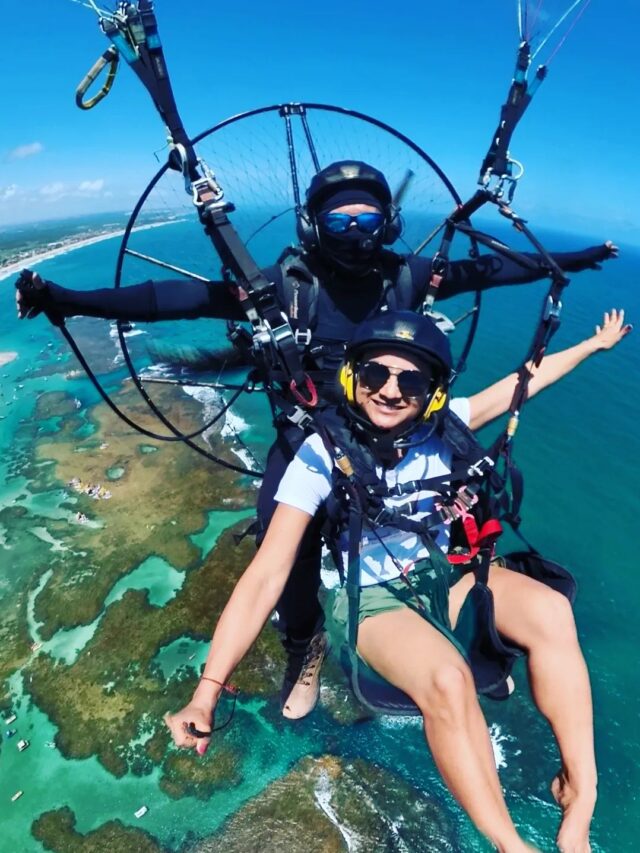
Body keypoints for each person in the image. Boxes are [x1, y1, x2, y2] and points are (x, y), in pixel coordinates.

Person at [15, 160, 618, 720]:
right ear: (314, 224)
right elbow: (172, 300)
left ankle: (468, 628)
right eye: (339, 218)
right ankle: (303, 646)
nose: (355, 230)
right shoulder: (285, 286)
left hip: (396, 432)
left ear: (389, 224)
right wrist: (66, 299)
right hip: (310, 442)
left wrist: (570, 259)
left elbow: (494, 268)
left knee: (453, 507)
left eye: (368, 218)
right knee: (288, 552)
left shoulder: (405, 278)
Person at [164, 307, 630, 853]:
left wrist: (591, 346)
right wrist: (206, 692)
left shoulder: (447, 425)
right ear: (352, 378)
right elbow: (265, 576)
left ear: (432, 391)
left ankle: (580, 791)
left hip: (438, 577)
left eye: (410, 380)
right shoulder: (321, 456)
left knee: (552, 610)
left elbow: (522, 382)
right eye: (375, 375)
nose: (390, 390)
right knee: (447, 681)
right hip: (369, 600)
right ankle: (512, 844)